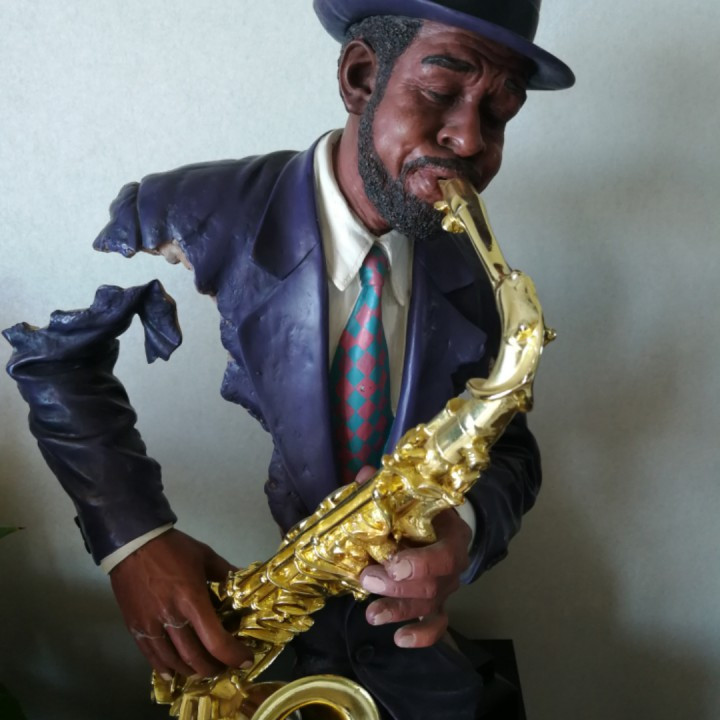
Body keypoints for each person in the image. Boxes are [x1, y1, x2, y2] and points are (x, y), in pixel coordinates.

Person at [4, 1, 574, 717]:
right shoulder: (184, 212)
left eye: (498, 113)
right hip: (246, 640)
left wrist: (464, 529)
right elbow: (54, 357)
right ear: (360, 76)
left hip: (400, 645)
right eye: (439, 90)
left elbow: (510, 448)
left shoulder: (479, 274)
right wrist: (134, 540)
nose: (469, 138)